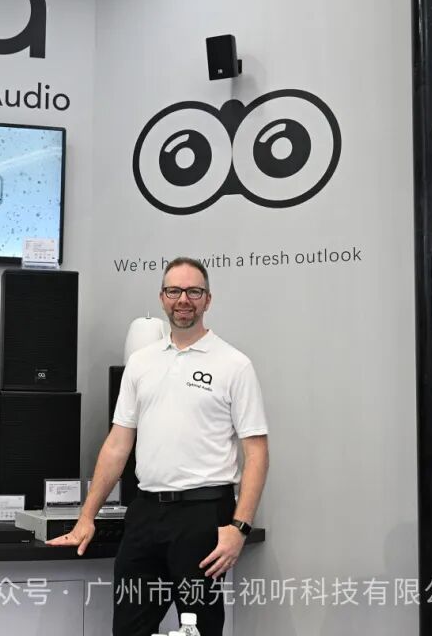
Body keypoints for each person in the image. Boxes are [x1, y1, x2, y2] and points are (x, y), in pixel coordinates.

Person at [48, 257, 269, 636]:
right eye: (174, 291)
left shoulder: (234, 365)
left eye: (194, 291)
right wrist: (87, 517)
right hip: (145, 514)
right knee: (129, 628)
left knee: (199, 629)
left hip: (204, 516)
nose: (184, 299)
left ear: (208, 299)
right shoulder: (140, 363)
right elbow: (117, 444)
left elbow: (257, 453)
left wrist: (239, 528)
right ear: (162, 298)